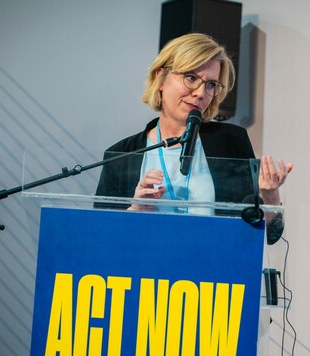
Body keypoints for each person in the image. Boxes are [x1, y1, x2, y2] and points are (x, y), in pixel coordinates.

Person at [95, 33, 293, 243]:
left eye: (210, 85)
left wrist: (270, 195)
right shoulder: (121, 155)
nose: (200, 93)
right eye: (191, 78)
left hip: (214, 272)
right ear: (160, 78)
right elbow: (99, 237)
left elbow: (267, 234)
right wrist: (135, 209)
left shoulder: (231, 142)